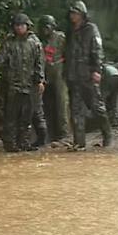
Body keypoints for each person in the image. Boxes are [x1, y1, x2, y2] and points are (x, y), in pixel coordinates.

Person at [0, 13, 45, 152]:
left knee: (26, 116)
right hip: (12, 84)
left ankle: (24, 143)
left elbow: (40, 63)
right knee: (10, 115)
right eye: (16, 25)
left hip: (29, 85)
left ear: (27, 26)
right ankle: (10, 144)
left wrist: (41, 80)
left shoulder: (34, 42)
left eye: (21, 25)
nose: (19, 28)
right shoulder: (9, 42)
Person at [64, 0, 111, 150]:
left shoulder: (91, 29)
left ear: (82, 15)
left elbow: (97, 50)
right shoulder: (70, 31)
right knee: (76, 110)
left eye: (75, 13)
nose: (73, 16)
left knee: (96, 107)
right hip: (73, 75)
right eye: (71, 13)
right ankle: (79, 142)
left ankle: (107, 135)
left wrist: (97, 69)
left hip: (88, 75)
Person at [38, 14, 69, 145]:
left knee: (61, 103)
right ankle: (49, 133)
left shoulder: (60, 37)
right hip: (45, 74)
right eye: (43, 27)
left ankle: (64, 133)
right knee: (47, 104)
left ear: (53, 27)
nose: (45, 30)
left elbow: (69, 53)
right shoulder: (40, 41)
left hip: (59, 72)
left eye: (47, 27)